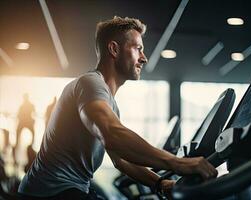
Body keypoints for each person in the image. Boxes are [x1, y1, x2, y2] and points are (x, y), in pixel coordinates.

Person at [18, 16, 217, 200]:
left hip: (65, 190)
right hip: (49, 194)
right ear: (114, 49)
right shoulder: (90, 83)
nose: (144, 58)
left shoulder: (108, 103)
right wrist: (178, 163)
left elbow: (121, 160)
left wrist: (160, 183)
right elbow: (112, 134)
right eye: (138, 49)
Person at [14, 93, 35, 164]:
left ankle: (18, 144)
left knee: (31, 132)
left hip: (25, 122)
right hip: (26, 122)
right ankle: (18, 143)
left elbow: (18, 115)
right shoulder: (26, 105)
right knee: (32, 132)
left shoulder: (23, 106)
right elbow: (34, 113)